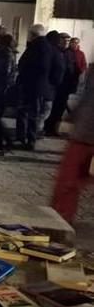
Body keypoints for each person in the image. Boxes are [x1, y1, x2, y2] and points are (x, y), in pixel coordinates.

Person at [51, 63, 94, 223]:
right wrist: (70, 118)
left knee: (68, 183)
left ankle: (59, 218)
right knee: (67, 183)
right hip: (82, 135)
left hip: (86, 137)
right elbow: (87, 98)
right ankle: (59, 218)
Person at [16, 24, 52, 150]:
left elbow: (38, 67)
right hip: (36, 85)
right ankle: (26, 138)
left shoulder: (38, 46)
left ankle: (30, 140)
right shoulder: (45, 46)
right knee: (30, 113)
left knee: (32, 114)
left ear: (33, 34)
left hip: (34, 86)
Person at [45, 32, 77, 136]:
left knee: (60, 109)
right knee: (52, 109)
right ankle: (48, 128)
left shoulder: (69, 53)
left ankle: (54, 129)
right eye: (64, 40)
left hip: (65, 87)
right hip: (55, 86)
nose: (66, 42)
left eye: (68, 40)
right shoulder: (55, 52)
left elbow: (72, 69)